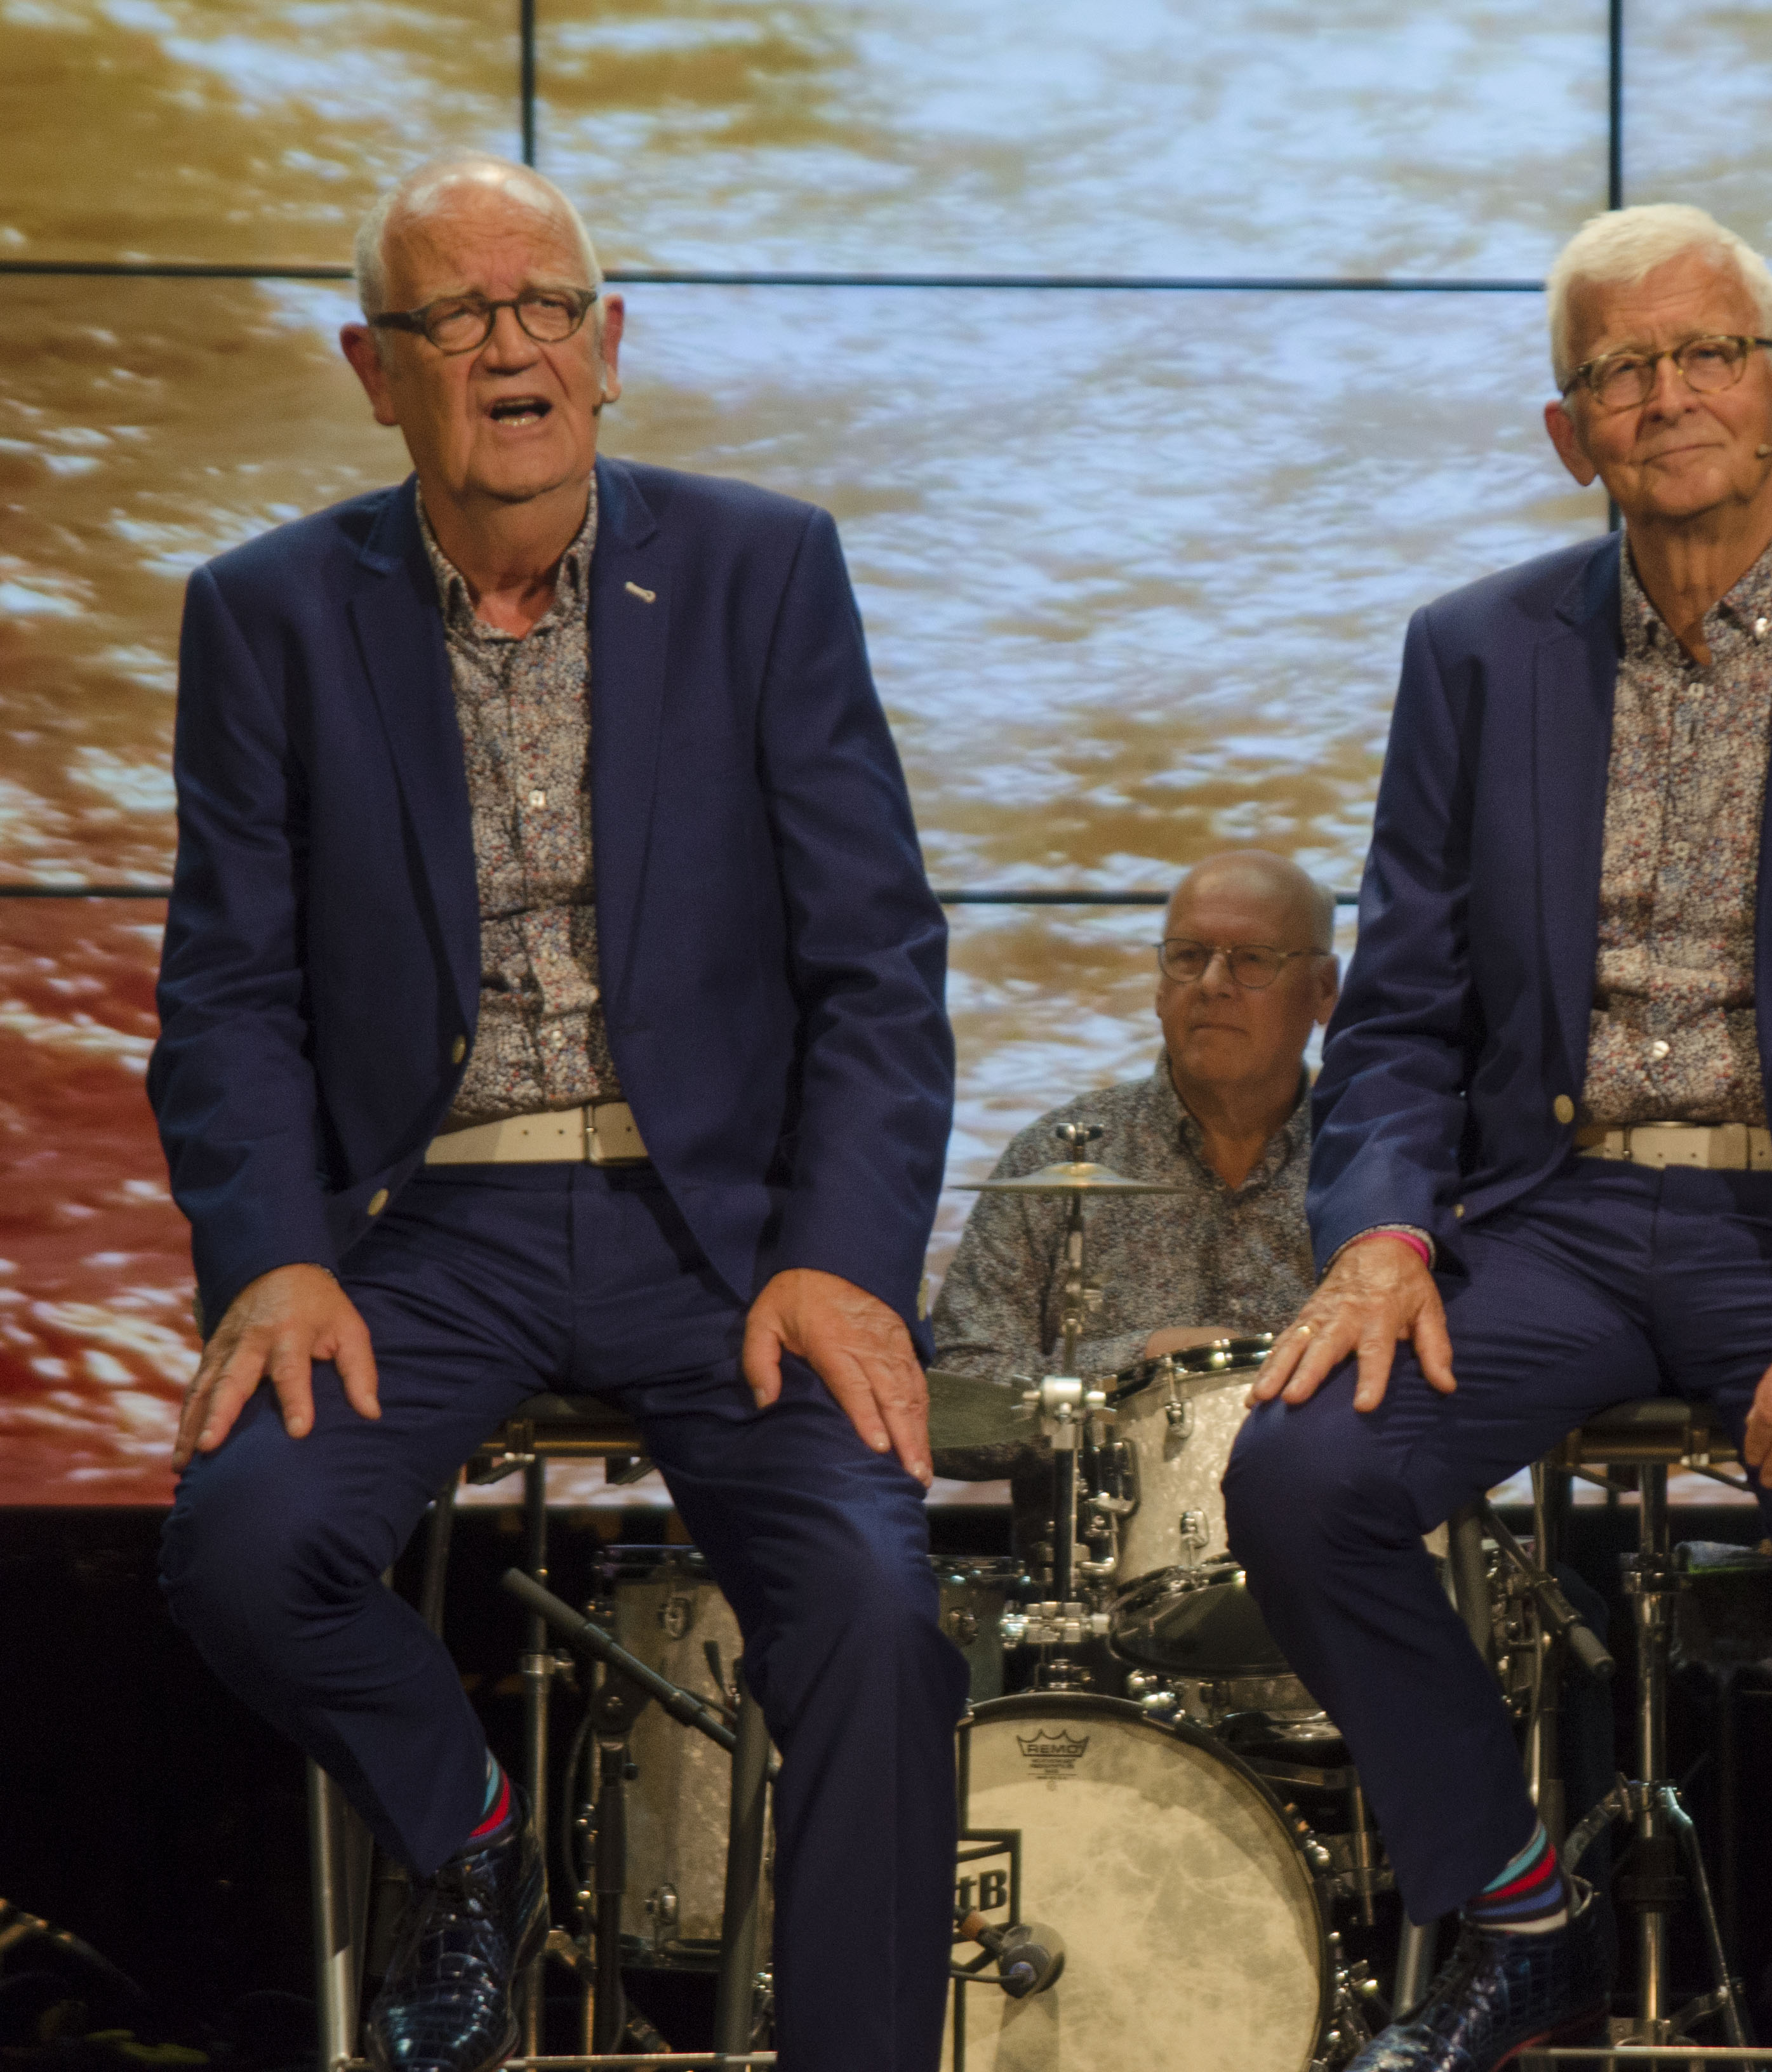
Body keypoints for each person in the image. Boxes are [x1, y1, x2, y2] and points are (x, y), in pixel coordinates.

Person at [1223, 203, 1772, 2071]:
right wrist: (1377, 1230)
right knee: (1296, 1480)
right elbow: (1398, 1020)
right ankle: (1515, 1909)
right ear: (1568, 431)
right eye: (1618, 366)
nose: (1667, 393)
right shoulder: (1475, 656)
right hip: (1556, 1219)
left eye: (1706, 354)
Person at [145, 156, 961, 2072]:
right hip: (433, 1230)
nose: (507, 345)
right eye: (455, 317)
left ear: (610, 347)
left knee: (867, 1603)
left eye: (544, 309)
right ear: (375, 370)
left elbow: (877, 964)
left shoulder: (765, 570)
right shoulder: (265, 614)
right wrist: (270, 1259)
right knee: (245, 1547)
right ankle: (476, 1836)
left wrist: (842, 1257)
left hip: (726, 1238)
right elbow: (230, 992)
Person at [930, 848, 1336, 1543]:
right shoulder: (1054, 1156)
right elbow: (957, 1414)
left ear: (1323, 992)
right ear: (1156, 987)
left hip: (1338, 1571)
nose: (1212, 984)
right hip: (1091, 1613)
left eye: (1251, 961)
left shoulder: (1376, 1163)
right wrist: (1143, 1365)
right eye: (1187, 956)